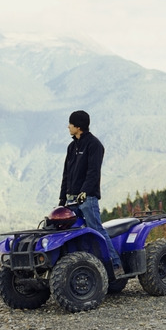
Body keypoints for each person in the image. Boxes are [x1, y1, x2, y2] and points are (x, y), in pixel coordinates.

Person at [58, 110, 124, 277]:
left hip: (87, 198)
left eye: (70, 124)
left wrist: (85, 192)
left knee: (96, 230)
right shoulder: (72, 147)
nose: (68, 126)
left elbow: (93, 172)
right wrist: (62, 199)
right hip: (71, 200)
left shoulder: (94, 145)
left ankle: (115, 265)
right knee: (71, 236)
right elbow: (66, 174)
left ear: (78, 126)